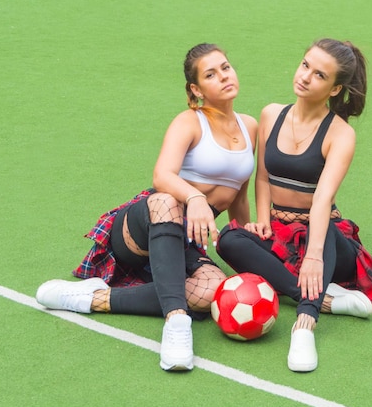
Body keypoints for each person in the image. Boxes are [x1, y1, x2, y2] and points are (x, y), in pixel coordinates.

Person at [216, 38, 372, 373]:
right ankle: (329, 299)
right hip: (280, 231)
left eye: (319, 75)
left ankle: (305, 322)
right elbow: (262, 178)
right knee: (228, 239)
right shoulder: (272, 114)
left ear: (335, 89)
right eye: (305, 65)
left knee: (329, 232)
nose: (305, 76)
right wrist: (262, 220)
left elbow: (322, 199)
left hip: (325, 236)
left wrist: (314, 256)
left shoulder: (341, 134)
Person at [36, 43, 258, 372]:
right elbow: (162, 175)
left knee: (212, 291)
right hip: (146, 222)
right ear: (197, 89)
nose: (224, 76)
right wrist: (195, 198)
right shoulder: (190, 121)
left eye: (225, 67)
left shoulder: (250, 126)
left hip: (185, 240)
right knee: (167, 201)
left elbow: (239, 193)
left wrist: (243, 244)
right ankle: (176, 323)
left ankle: (91, 298)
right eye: (211, 74)